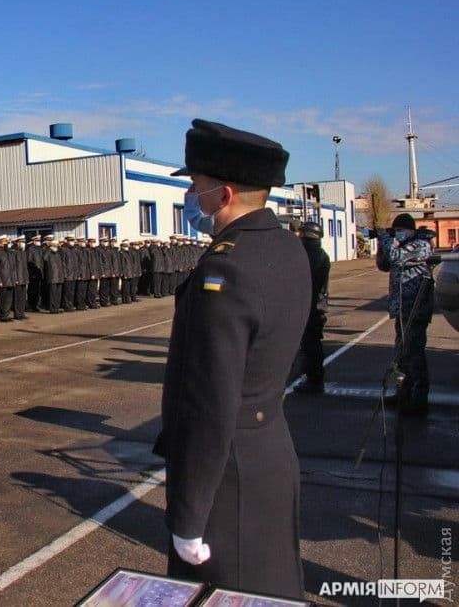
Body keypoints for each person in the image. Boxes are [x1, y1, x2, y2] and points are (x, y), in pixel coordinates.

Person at [154, 119, 310, 599]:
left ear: (222, 195)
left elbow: (210, 405)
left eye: (194, 185)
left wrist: (190, 512)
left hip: (227, 478)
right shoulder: (286, 249)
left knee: (227, 592)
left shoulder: (225, 269)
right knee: (270, 587)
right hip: (269, 453)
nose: (189, 195)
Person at [376, 213, 436, 414]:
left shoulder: (420, 245)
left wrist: (386, 237)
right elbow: (384, 264)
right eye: (397, 231)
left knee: (414, 353)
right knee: (402, 353)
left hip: (415, 308)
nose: (398, 234)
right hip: (402, 308)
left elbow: (396, 258)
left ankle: (419, 398)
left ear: (411, 230)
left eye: (401, 231)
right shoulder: (402, 246)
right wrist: (380, 241)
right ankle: (404, 392)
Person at [291, 222, 331, 394]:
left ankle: (314, 378)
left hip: (312, 306)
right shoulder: (317, 254)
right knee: (310, 343)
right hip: (314, 305)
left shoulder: (311, 256)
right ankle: (311, 376)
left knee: (311, 343)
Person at [0, 235, 15, 321]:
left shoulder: (8, 252)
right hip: (3, 279)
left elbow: (12, 266)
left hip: (10, 279)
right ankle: (1, 315)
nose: (6, 242)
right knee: (3, 298)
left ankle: (6, 314)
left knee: (9, 299)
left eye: (7, 241)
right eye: (4, 241)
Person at [42, 235, 65, 313]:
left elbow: (63, 258)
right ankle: (52, 309)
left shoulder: (58, 254)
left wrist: (59, 246)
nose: (56, 247)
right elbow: (44, 258)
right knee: (53, 294)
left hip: (59, 276)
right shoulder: (48, 253)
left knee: (58, 294)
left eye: (56, 245)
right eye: (54, 245)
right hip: (52, 277)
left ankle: (57, 307)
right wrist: (49, 249)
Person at [27, 235, 45, 311]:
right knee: (32, 291)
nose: (39, 242)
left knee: (38, 290)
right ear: (34, 241)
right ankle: (32, 305)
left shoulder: (39, 249)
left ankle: (36, 305)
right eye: (37, 240)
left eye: (39, 240)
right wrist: (32, 273)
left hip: (39, 273)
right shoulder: (31, 249)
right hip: (33, 274)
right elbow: (29, 261)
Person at [12, 235, 29, 320]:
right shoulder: (14, 252)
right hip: (18, 278)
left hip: (23, 278)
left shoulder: (23, 252)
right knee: (17, 297)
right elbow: (13, 267)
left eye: (24, 242)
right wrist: (15, 279)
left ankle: (22, 313)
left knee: (23, 297)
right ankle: (17, 314)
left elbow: (24, 267)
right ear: (17, 242)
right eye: (21, 242)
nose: (23, 244)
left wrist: (26, 277)